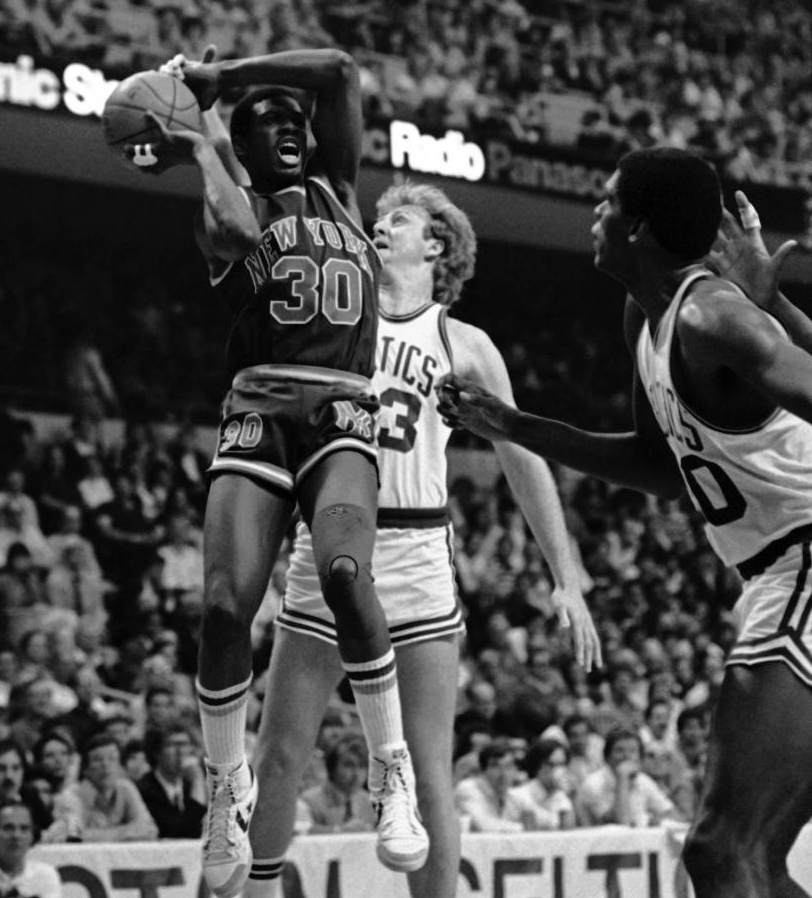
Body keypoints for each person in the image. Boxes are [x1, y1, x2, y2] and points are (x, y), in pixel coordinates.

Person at [438, 156, 812, 898]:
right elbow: (659, 465)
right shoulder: (648, 317)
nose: (594, 215)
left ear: (637, 227)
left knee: (721, 849)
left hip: (805, 559)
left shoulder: (716, 318)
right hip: (775, 570)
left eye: (605, 202)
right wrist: (514, 425)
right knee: (753, 856)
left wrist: (780, 308)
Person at [245, 181, 599, 898]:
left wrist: (567, 574)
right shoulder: (339, 318)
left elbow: (523, 460)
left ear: (435, 244)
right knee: (279, 754)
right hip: (328, 543)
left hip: (417, 555)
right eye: (376, 219)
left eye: (396, 219)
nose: (380, 225)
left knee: (428, 767)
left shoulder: (464, 345)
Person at [142, 47, 427, 895]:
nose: (292, 128)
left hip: (343, 410)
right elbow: (232, 230)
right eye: (268, 123)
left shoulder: (343, 188)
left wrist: (225, 75)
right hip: (260, 410)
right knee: (227, 607)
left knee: (346, 573)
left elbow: (337, 69)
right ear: (243, 144)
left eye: (295, 120)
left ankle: (391, 768)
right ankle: (225, 790)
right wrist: (202, 138)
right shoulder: (229, 201)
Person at [574, 727, 674, 827]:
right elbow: (620, 823)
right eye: (620, 750)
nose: (627, 756)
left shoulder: (642, 780)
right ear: (607, 757)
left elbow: (672, 814)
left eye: (633, 751)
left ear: (640, 758)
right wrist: (622, 779)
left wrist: (656, 819)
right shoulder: (593, 784)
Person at [75, 731, 158, 841]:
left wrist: (100, 835)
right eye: (97, 760)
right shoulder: (73, 795)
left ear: (120, 766)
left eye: (112, 758)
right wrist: (129, 831)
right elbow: (75, 836)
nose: (105, 765)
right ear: (86, 769)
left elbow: (149, 829)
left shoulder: (126, 788)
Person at [137, 725, 207, 839]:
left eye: (184, 744)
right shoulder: (144, 790)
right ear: (156, 752)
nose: (180, 752)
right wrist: (197, 780)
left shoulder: (190, 787)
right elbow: (181, 833)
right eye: (171, 745)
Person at [298, 737, 375, 833]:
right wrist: (340, 830)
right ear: (332, 768)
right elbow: (303, 834)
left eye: (362, 766)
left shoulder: (368, 801)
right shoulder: (308, 801)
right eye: (349, 765)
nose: (357, 774)